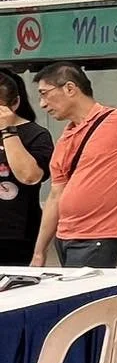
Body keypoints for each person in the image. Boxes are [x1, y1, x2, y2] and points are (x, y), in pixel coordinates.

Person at [32, 62, 117, 268]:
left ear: (70, 88)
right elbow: (55, 195)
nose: (42, 104)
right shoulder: (65, 138)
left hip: (99, 236)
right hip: (64, 238)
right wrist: (39, 252)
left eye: (45, 94)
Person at [0, 70, 54, 265]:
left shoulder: (36, 135)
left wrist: (7, 130)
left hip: (16, 235)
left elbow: (30, 176)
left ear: (14, 104)